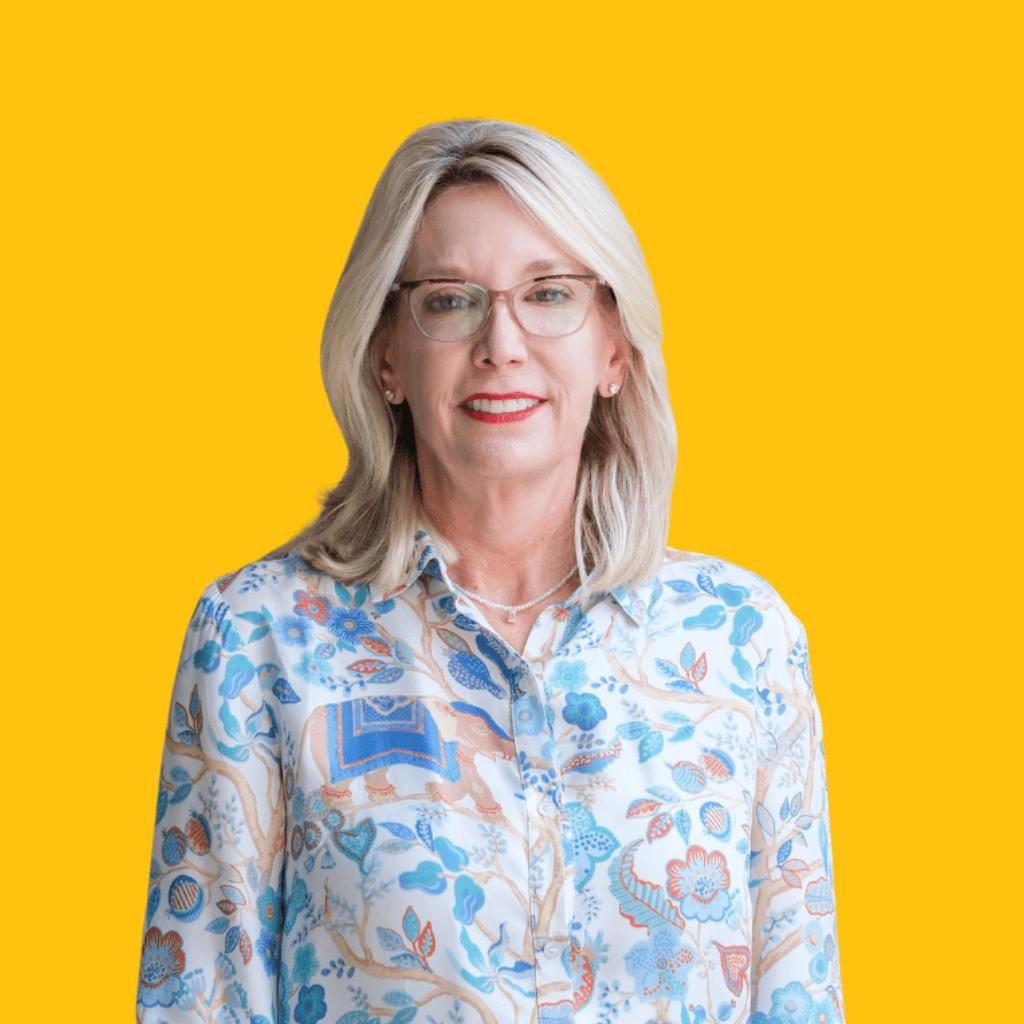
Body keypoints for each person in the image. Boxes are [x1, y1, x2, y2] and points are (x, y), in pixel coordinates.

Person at [138, 120, 844, 1024]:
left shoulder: (745, 641)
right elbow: (202, 1001)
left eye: (549, 295)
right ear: (386, 351)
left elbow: (802, 1002)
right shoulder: (259, 639)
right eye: (449, 300)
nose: (501, 343)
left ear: (614, 349)